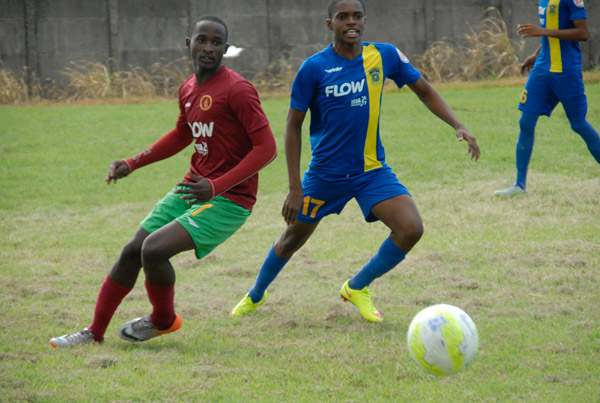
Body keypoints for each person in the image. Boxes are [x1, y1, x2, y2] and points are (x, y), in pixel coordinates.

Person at [230, 0, 480, 323]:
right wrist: (295, 188)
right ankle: (255, 294)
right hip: (325, 175)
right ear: (329, 24)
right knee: (292, 238)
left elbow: (424, 89)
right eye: (342, 17)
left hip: (370, 171)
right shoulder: (314, 68)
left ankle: (357, 287)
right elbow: (293, 126)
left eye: (357, 16)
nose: (351, 22)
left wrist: (458, 124)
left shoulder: (384, 55)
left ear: (365, 20)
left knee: (411, 228)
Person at [49, 15, 277, 347]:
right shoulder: (187, 87)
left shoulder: (237, 90)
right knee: (133, 251)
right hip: (192, 188)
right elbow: (181, 134)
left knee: (153, 250)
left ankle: (163, 320)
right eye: (202, 40)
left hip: (229, 201)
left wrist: (215, 187)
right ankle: (93, 333)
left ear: (226, 49)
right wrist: (132, 162)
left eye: (216, 43)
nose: (208, 47)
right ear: (189, 43)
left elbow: (267, 149)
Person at [495, 0, 600, 197]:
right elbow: (551, 33)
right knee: (526, 122)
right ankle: (519, 186)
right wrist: (536, 55)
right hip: (542, 69)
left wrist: (543, 31)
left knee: (578, 123)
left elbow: (583, 33)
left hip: (566, 71)